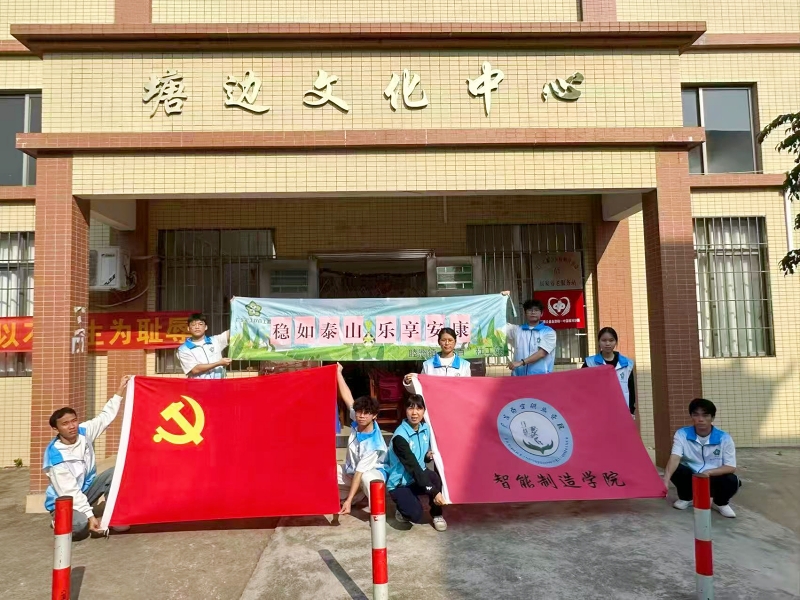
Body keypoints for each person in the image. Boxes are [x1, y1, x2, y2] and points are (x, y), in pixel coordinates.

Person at [44, 375, 131, 539]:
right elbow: (70, 492)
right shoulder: (55, 457)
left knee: (116, 472)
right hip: (64, 501)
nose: (72, 426)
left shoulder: (83, 431)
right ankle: (60, 520)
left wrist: (121, 389)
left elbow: (105, 417)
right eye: (65, 424)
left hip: (86, 492)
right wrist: (91, 517)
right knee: (79, 526)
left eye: (74, 421)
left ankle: (114, 515)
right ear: (56, 429)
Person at [662, 398, 741, 518]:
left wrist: (708, 472)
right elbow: (675, 457)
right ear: (691, 416)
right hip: (691, 475)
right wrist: (665, 480)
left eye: (705, 415)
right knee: (676, 469)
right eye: (696, 415)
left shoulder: (724, 438)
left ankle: (720, 503)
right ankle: (687, 498)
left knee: (732, 480)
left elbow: (730, 466)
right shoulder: (682, 434)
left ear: (712, 418)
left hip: (713, 476)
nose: (700, 419)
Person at [385, 395, 447, 531]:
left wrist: (426, 457)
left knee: (434, 478)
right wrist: (434, 492)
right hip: (400, 483)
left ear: (424, 411)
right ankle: (402, 508)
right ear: (405, 410)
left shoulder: (425, 429)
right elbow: (413, 466)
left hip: (416, 478)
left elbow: (419, 458)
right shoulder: (400, 437)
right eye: (410, 408)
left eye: (419, 408)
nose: (414, 413)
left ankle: (437, 514)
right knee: (415, 514)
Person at [335, 364, 387, 515]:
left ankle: (376, 509)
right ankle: (358, 495)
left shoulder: (374, 444)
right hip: (351, 472)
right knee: (327, 471)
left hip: (373, 474)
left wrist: (348, 501)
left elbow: (359, 473)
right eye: (359, 412)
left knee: (366, 477)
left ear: (374, 416)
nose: (362, 416)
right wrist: (338, 372)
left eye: (366, 413)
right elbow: (347, 396)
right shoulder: (358, 419)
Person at [582, 327, 636, 416]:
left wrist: (631, 411)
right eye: (604, 340)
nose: (607, 344)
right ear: (599, 342)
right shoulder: (590, 363)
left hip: (621, 412)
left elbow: (631, 389)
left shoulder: (627, 364)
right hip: (598, 412)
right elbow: (582, 388)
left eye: (611, 340)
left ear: (616, 342)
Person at [403, 326, 471, 395]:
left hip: (456, 400)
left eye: (450, 340)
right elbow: (422, 387)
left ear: (455, 342)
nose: (447, 343)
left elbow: (467, 388)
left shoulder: (464, 365)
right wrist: (410, 382)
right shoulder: (427, 365)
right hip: (433, 400)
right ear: (439, 342)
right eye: (443, 340)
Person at [503, 295, 557, 376]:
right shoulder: (517, 330)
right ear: (525, 313)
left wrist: (521, 362)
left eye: (536, 310)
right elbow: (498, 324)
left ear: (541, 313)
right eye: (529, 310)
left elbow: (541, 353)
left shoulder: (549, 332)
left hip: (541, 377)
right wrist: (501, 299)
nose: (533, 312)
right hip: (518, 377)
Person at [176, 312, 231, 379]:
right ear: (188, 328)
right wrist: (218, 363)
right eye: (193, 325)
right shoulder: (183, 349)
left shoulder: (215, 340)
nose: (197, 327)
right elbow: (194, 369)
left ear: (206, 327)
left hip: (219, 383)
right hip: (199, 385)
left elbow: (232, 333)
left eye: (200, 324)